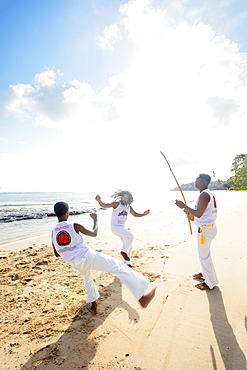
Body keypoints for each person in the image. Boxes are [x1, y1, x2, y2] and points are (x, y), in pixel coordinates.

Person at [52, 201, 156, 315]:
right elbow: (94, 233)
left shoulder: (53, 232)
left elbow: (57, 253)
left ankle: (93, 306)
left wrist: (69, 250)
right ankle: (141, 298)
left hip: (75, 263)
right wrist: (95, 220)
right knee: (118, 266)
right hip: (87, 256)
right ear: (67, 213)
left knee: (87, 279)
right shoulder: (74, 225)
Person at [175, 174, 218, 290]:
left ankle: (210, 282)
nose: (195, 181)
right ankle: (205, 273)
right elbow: (198, 215)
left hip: (205, 230)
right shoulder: (206, 193)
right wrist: (189, 212)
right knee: (205, 255)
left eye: (197, 180)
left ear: (203, 182)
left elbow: (198, 213)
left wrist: (183, 205)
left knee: (204, 256)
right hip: (208, 227)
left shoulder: (204, 195)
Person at [95, 190, 150, 267]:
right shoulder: (117, 204)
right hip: (115, 227)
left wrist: (143, 214)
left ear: (129, 200)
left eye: (126, 198)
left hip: (122, 228)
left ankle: (127, 262)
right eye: (123, 197)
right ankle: (124, 251)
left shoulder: (129, 207)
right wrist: (99, 201)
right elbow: (105, 205)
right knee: (130, 236)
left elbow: (135, 214)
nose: (124, 199)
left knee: (129, 244)